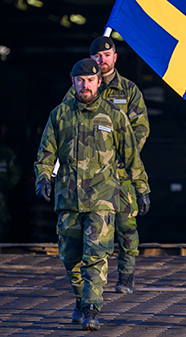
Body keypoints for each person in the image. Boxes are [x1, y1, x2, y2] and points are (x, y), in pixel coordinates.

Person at [34, 58, 151, 331]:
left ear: (99, 81)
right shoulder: (59, 115)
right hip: (68, 198)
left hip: (102, 199)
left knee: (96, 256)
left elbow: (131, 157)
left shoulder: (114, 116)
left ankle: (91, 309)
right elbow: (46, 152)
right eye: (80, 80)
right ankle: (80, 298)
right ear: (72, 82)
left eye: (90, 80)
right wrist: (43, 178)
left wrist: (142, 188)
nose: (85, 85)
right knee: (70, 257)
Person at [64, 36, 151, 294]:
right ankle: (88, 281)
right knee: (86, 230)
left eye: (107, 55)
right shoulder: (82, 87)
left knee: (126, 226)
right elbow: (65, 122)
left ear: (115, 57)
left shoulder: (129, 90)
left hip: (121, 173)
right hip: (88, 175)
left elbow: (141, 129)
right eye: (97, 56)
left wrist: (122, 156)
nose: (102, 60)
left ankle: (126, 275)